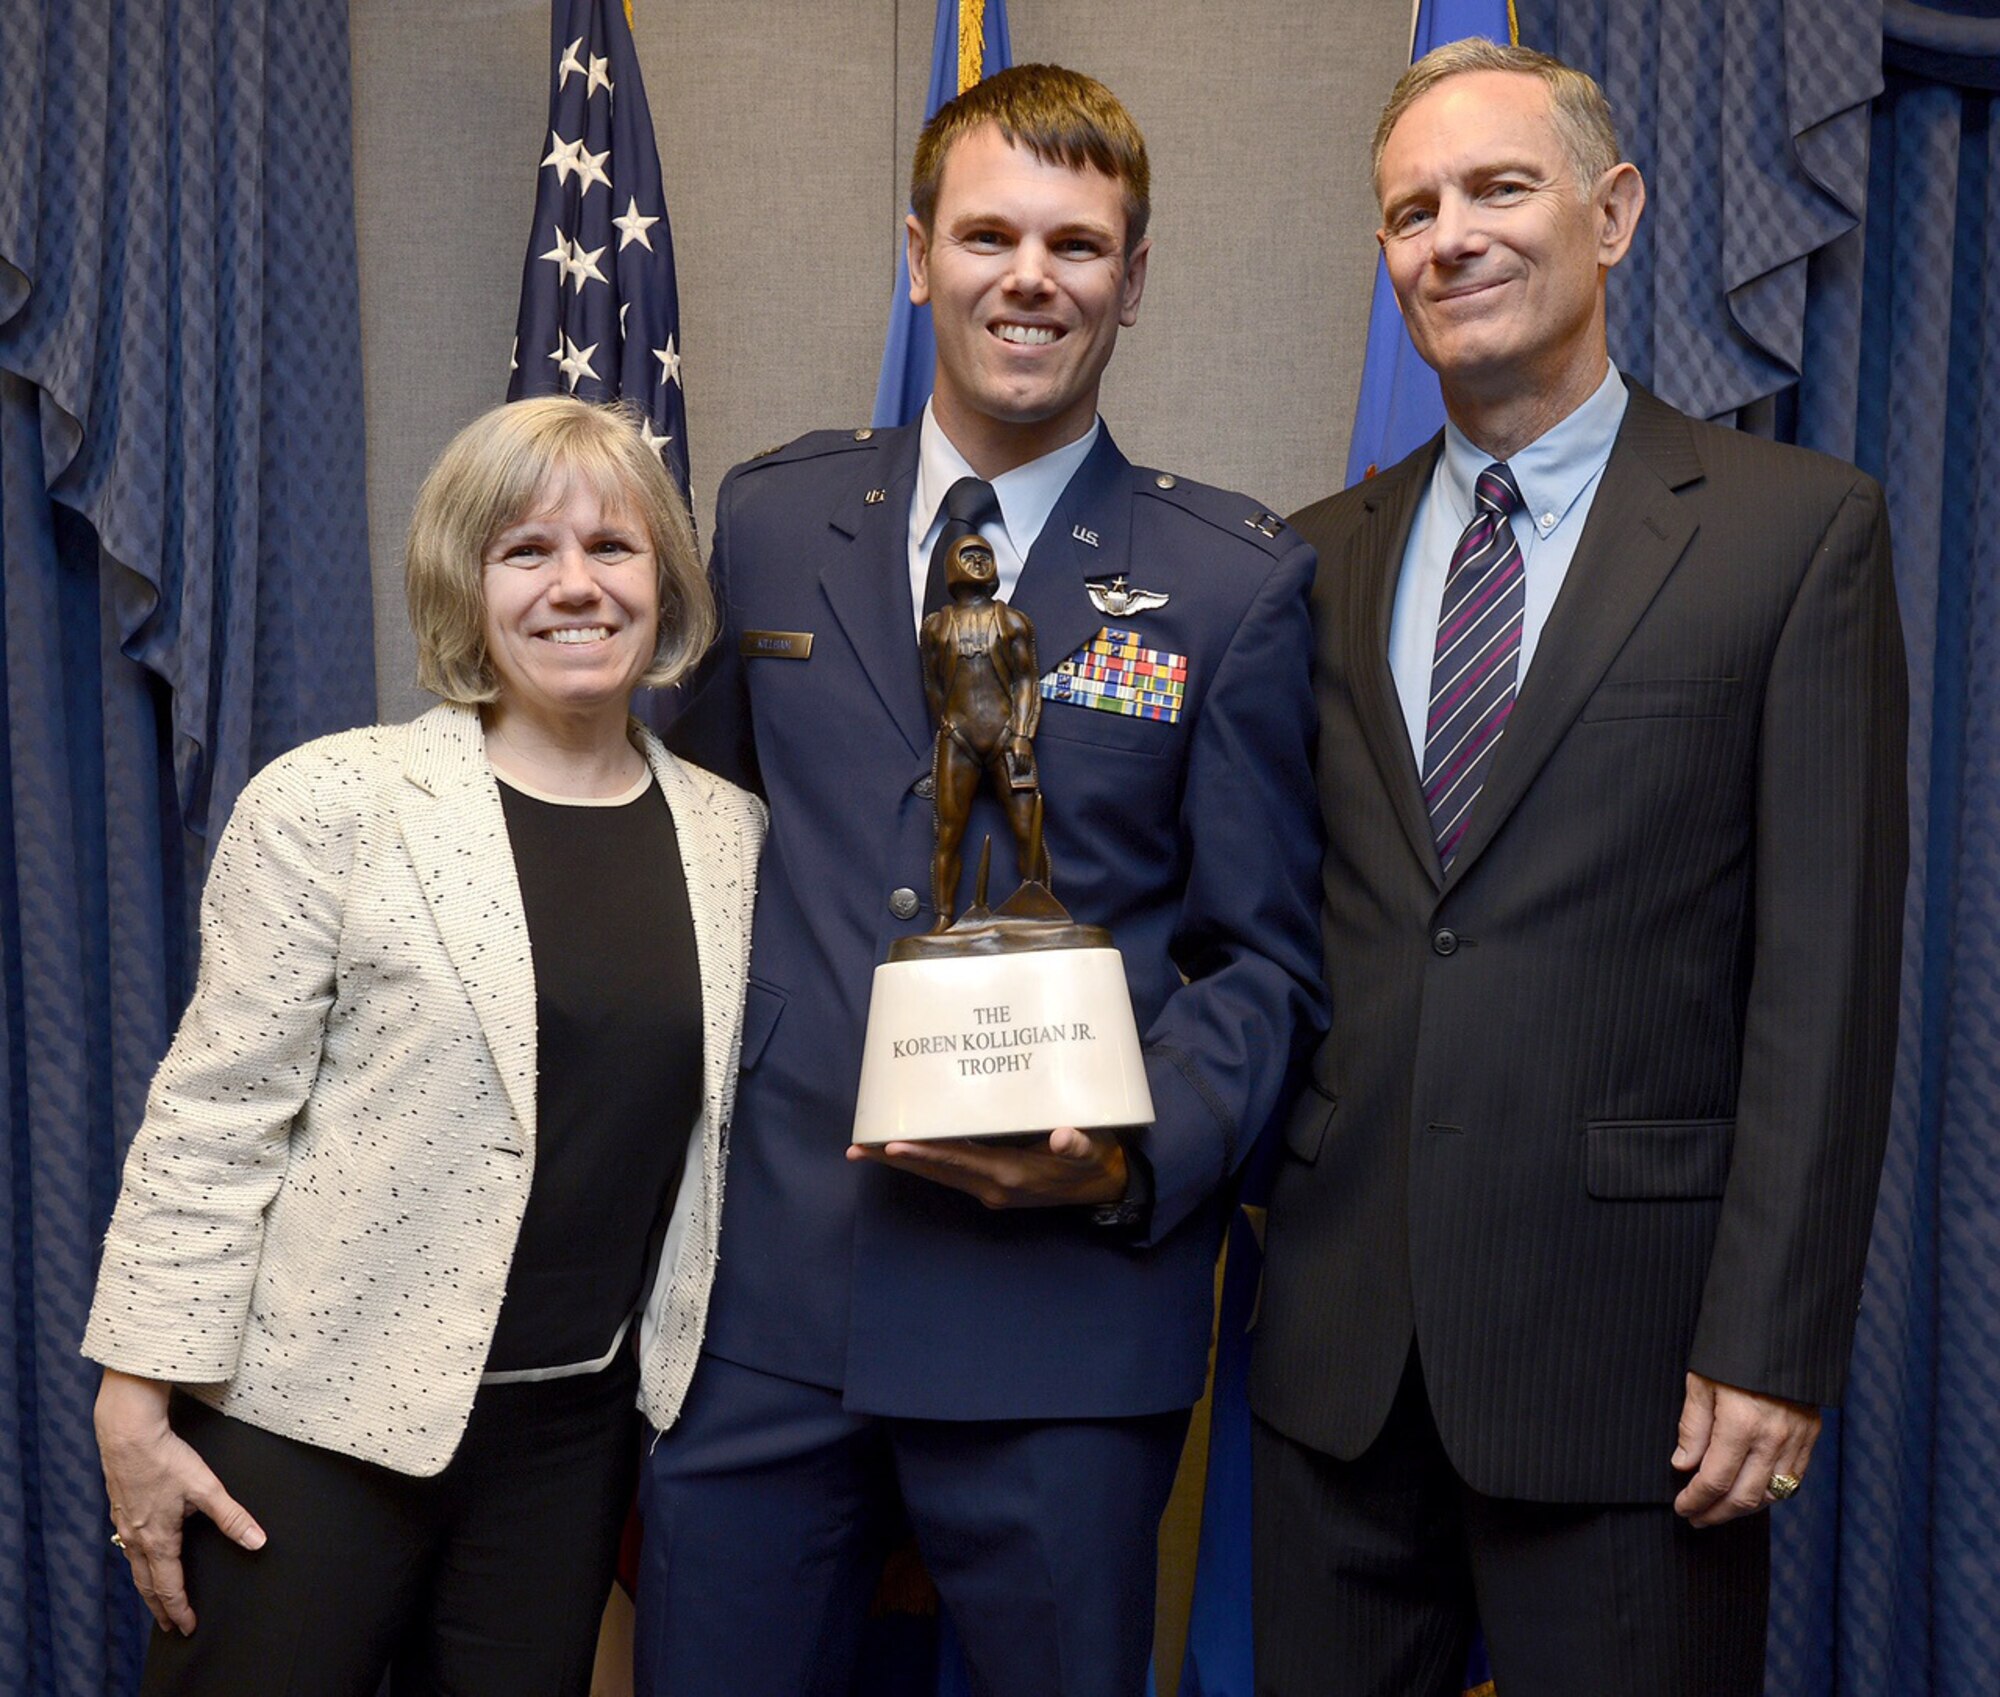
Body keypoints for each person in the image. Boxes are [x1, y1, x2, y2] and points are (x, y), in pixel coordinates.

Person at [642, 63, 1327, 1697]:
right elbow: (694, 852)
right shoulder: (767, 515)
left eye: (1079, 245)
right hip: (767, 1310)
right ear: (919, 253)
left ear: (1134, 280)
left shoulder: (1232, 582)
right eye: (990, 234)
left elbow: (1266, 965)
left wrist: (1126, 1155)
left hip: (1068, 1332)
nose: (1031, 278)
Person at [1249, 39, 1908, 1697]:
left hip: (1637, 1374)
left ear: (1611, 215)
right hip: (1339, 1366)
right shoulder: (1315, 558)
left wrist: (1771, 1341)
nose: (1448, 235)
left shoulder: (1791, 531)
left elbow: (1826, 978)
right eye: (1410, 210)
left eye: (1496, 189)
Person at [83, 396, 764, 1696]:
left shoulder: (736, 839)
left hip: (570, 1445)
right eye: (527, 552)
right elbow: (214, 1120)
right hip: (308, 1425)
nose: (577, 584)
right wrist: (134, 1401)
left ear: (663, 576)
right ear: (469, 582)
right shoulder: (335, 801)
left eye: (613, 548)